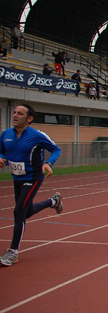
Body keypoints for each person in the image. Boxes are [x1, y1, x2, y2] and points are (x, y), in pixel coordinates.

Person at [0, 104, 63, 267]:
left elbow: (56, 150)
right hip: (17, 177)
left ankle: (13, 252)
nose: (15, 115)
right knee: (25, 212)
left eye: (19, 114)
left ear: (29, 119)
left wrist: (49, 163)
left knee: (18, 211)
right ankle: (53, 201)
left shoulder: (37, 135)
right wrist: (0, 157)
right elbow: (1, 151)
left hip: (33, 176)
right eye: (14, 112)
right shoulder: (6, 134)